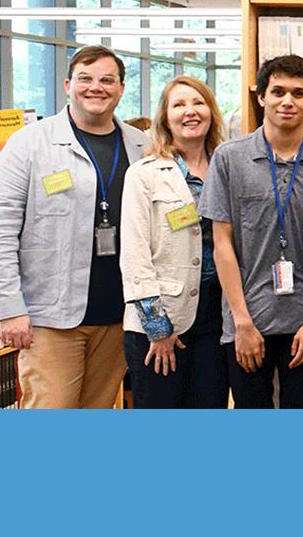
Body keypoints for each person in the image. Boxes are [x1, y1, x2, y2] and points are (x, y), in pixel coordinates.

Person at [0, 45, 147, 408]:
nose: (96, 87)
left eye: (107, 80)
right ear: (68, 85)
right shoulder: (29, 143)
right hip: (51, 317)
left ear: (120, 88)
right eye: (85, 79)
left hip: (118, 313)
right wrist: (8, 308)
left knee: (98, 414)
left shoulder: (140, 145)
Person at [199, 54, 303, 408]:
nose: (287, 101)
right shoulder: (229, 158)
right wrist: (242, 322)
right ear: (261, 97)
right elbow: (222, 245)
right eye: (277, 92)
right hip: (247, 321)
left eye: (298, 93)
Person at [120, 76, 229, 408]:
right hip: (162, 319)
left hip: (216, 317)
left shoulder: (226, 167)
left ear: (211, 111)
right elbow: (135, 255)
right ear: (165, 117)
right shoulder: (144, 174)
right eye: (179, 105)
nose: (190, 112)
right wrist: (158, 328)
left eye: (198, 103)